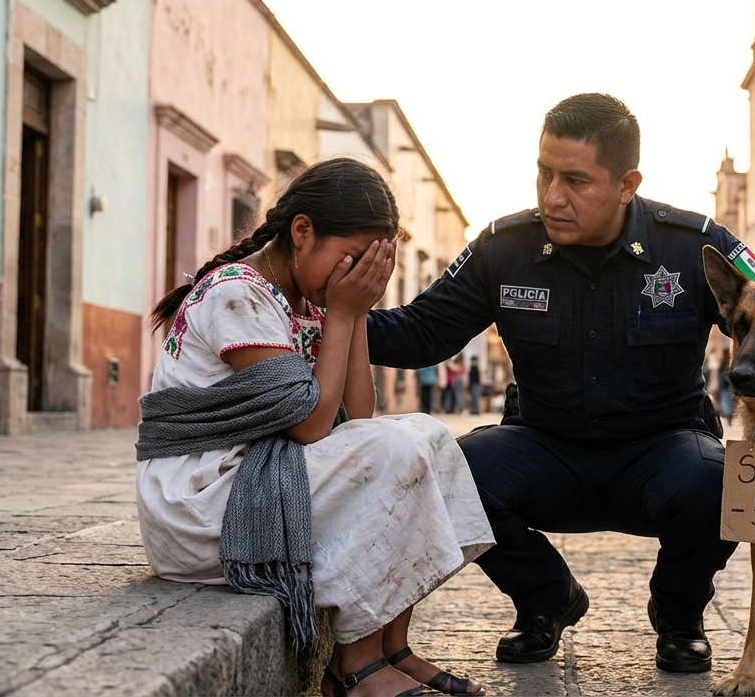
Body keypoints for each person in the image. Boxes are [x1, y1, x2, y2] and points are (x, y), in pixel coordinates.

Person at [367, 93, 755, 674]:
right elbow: (421, 333)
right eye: (544, 173)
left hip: (661, 455)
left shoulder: (691, 246)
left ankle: (679, 613)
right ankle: (544, 599)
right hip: (544, 448)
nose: (552, 196)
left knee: (723, 480)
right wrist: (322, 314)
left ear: (626, 183)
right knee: (455, 470)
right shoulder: (505, 249)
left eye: (576, 180)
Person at [136, 159, 493, 697]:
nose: (355, 276)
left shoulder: (314, 299)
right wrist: (347, 315)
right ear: (302, 232)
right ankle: (356, 667)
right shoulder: (236, 294)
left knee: (427, 437)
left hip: (257, 482)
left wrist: (353, 311)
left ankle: (393, 648)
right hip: (199, 505)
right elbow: (309, 427)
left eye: (371, 265)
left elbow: (357, 414)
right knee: (390, 450)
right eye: (351, 259)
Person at [717, 347, 735, 422]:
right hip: (728, 370)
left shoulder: (718, 349)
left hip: (724, 372)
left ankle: (729, 414)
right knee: (728, 394)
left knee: (725, 394)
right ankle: (730, 414)